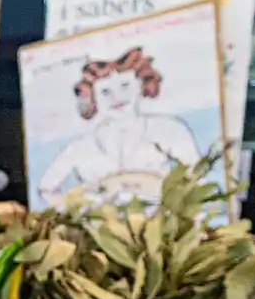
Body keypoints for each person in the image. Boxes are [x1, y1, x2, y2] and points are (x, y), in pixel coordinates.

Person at [36, 46, 201, 206]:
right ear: (93, 97)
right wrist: (77, 213)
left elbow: (198, 175)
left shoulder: (167, 129)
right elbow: (46, 189)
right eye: (105, 92)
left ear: (140, 85)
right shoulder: (80, 148)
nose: (117, 97)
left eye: (125, 86)